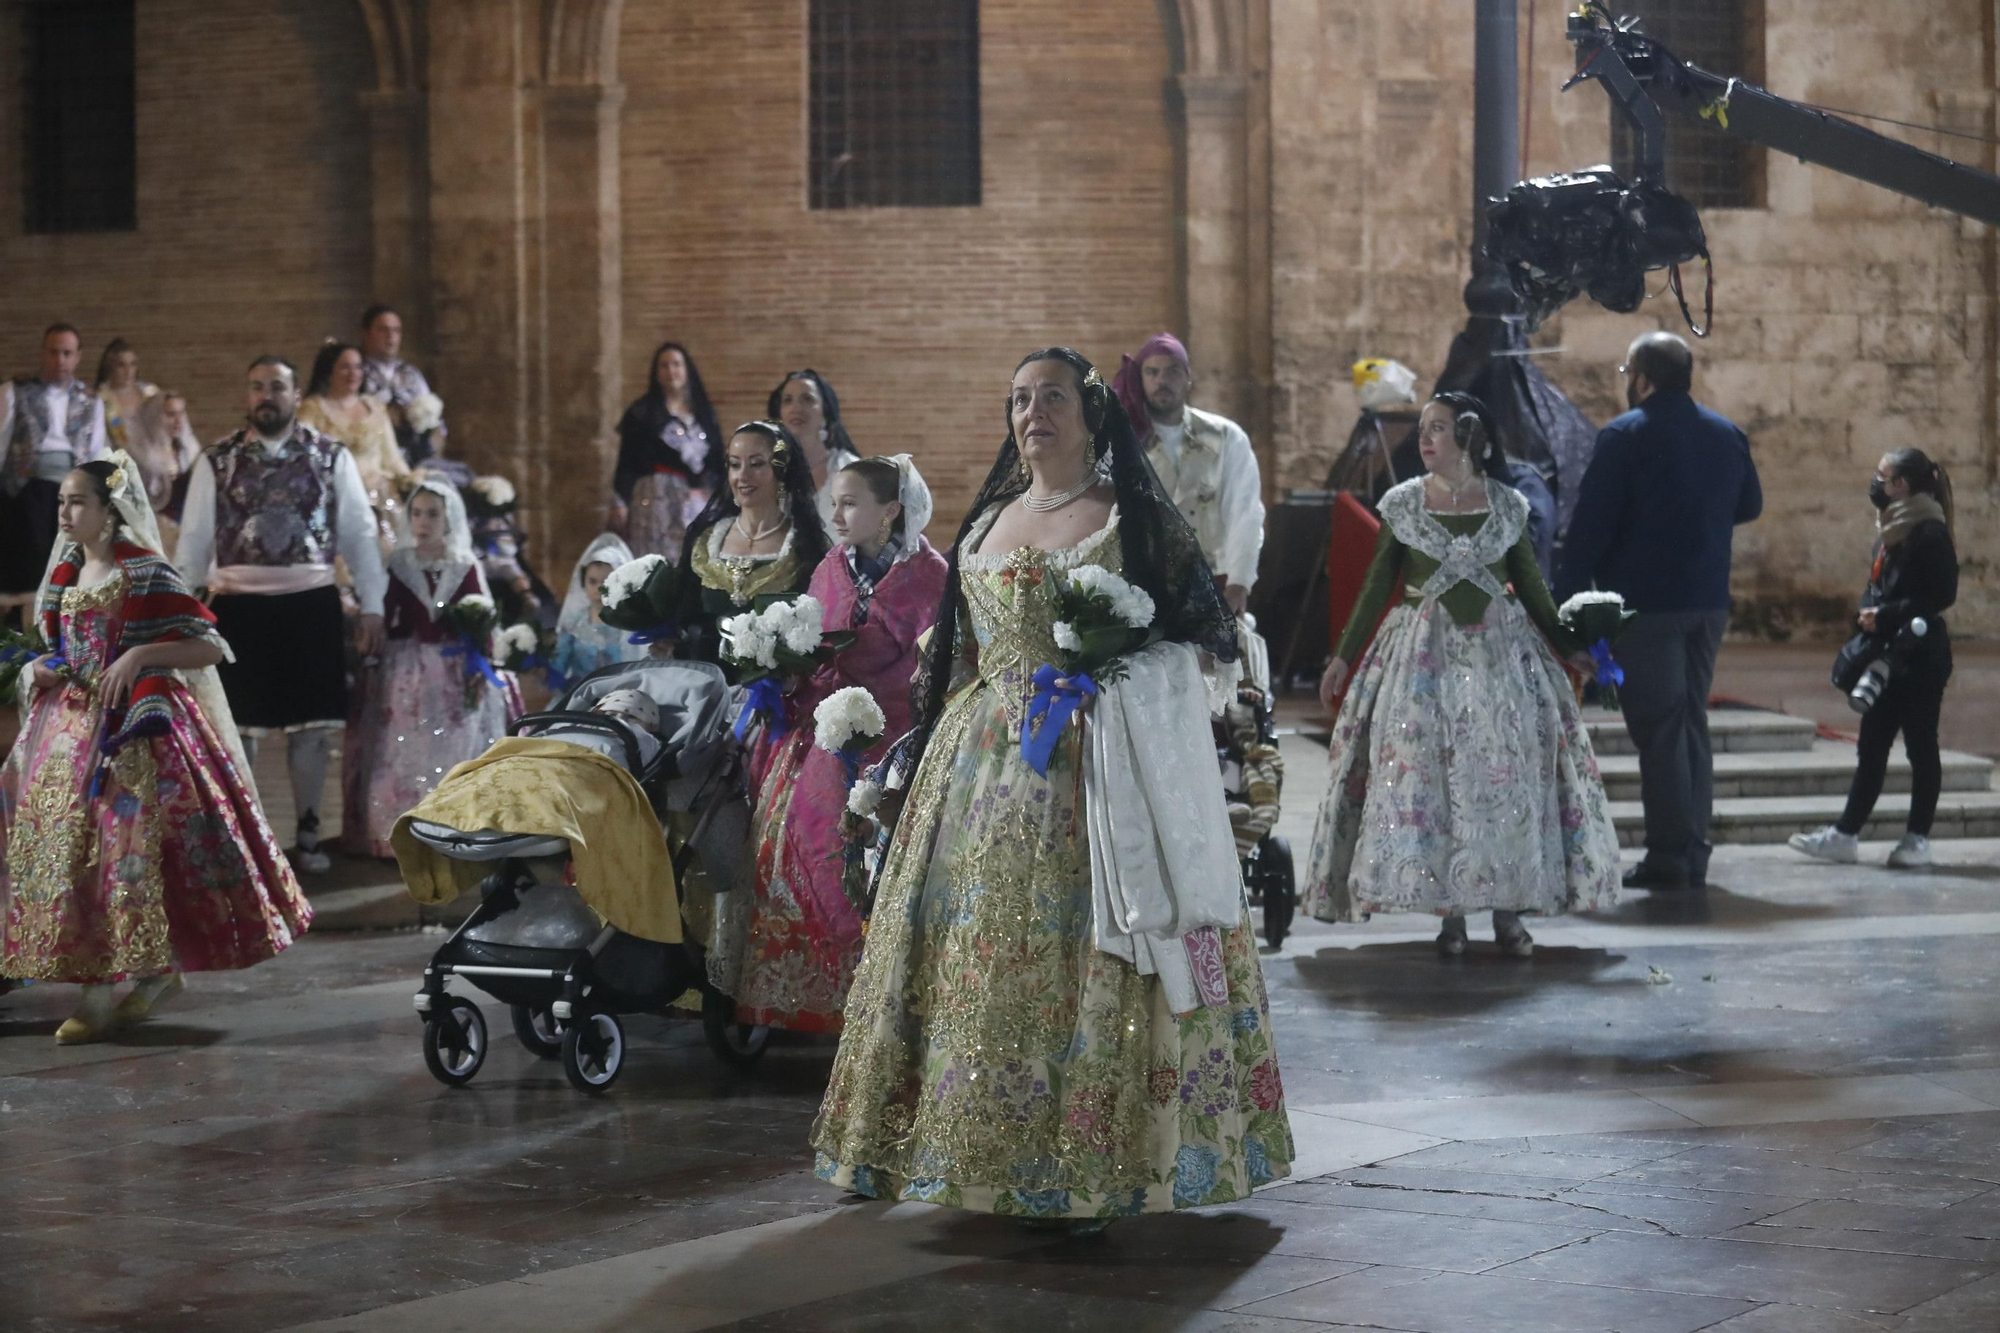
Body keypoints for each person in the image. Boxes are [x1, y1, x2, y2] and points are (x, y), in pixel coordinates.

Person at [811, 347, 1291, 1223]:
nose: (1034, 412)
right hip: (979, 770)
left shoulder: (1128, 519)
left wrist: (1111, 678)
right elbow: (956, 652)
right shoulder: (989, 518)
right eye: (1021, 398)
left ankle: (1092, 1156)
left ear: (1092, 413)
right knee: (964, 956)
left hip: (1097, 771)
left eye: (1054, 398)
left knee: (1091, 948)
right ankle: (943, 1144)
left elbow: (1197, 640)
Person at [0, 456, 310, 1043]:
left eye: (76, 502)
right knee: (60, 853)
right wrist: (39, 667)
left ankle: (100, 994)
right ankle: (143, 976)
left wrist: (140, 655)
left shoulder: (142, 571)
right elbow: (57, 650)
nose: (64, 513)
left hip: (128, 735)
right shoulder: (65, 571)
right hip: (61, 733)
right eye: (62, 502)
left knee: (116, 855)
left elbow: (210, 647)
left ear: (109, 509)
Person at [1304, 391, 1621, 956]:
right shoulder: (1404, 504)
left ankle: (1509, 913)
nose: (1425, 439)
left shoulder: (1506, 506)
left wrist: (1571, 645)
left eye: (1439, 429)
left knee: (1505, 779)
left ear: (1472, 437)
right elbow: (1377, 584)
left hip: (1503, 659)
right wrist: (1342, 656)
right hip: (1421, 662)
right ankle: (1449, 915)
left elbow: (1532, 587)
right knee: (1430, 782)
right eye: (1424, 428)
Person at [712, 455, 947, 1034]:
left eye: (850, 502)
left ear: (890, 510)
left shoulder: (933, 575)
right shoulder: (829, 568)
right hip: (825, 726)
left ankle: (881, 1000)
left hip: (895, 733)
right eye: (834, 502)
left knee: (880, 851)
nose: (836, 514)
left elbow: (935, 664)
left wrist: (868, 697)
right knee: (799, 834)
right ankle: (809, 991)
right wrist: (790, 671)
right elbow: (814, 642)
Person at [1556, 332, 1762, 890]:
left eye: (1629, 373)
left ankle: (1673, 854)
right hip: (1707, 603)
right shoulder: (1726, 433)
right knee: (1689, 721)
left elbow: (1588, 533)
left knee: (1661, 729)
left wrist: (1566, 606)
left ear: (1643, 379)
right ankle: (1693, 848)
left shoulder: (1624, 437)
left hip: (1647, 609)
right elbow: (1750, 505)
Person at [174, 356, 389, 874]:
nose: (266, 395)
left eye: (276, 386)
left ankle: (309, 836)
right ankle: (249, 836)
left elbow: (359, 535)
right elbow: (194, 541)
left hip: (310, 604)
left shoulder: (329, 456)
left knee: (311, 730)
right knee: (238, 728)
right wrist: (179, 611)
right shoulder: (216, 459)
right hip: (237, 607)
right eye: (256, 387)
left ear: (296, 396)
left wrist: (374, 604)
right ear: (246, 397)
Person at [1789, 449, 1958, 869]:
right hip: (1888, 654)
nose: (1875, 482)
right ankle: (1846, 834)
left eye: (1881, 476)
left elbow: (1939, 596)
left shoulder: (1929, 532)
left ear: (1900, 485)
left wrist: (1883, 615)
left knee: (1921, 747)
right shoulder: (1891, 531)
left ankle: (1917, 839)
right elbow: (1881, 585)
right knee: (1872, 747)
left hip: (1919, 657)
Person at [341, 479, 521, 859]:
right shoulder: (400, 563)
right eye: (417, 513)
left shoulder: (463, 563)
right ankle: (398, 830)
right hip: (407, 670)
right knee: (404, 746)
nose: (423, 522)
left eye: (433, 514)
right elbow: (389, 614)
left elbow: (482, 614)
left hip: (453, 667)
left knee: (453, 743)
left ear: (449, 519)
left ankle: (453, 826)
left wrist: (483, 655)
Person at [1111, 332, 1264, 616]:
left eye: (1172, 371)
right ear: (1140, 380)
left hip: (1215, 581)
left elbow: (1245, 512)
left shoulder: (1226, 437)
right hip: (1145, 587)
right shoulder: (1124, 443)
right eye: (1152, 372)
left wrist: (1239, 583)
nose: (1162, 380)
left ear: (1188, 377)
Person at [671, 421, 829, 668]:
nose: (742, 476)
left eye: (756, 464)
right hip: (706, 682)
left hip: (777, 693)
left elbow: (819, 627)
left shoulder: (806, 547)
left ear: (782, 470)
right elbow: (682, 612)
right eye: (735, 464)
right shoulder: (704, 540)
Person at [1, 324, 108, 595]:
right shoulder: (16, 391)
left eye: (67, 353)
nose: (60, 360)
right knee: (32, 560)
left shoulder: (91, 400)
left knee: (69, 560)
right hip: (29, 486)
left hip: (74, 485)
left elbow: (96, 451)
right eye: (54, 352)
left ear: (77, 357)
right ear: (42, 354)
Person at [611, 341, 723, 561]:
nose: (671, 370)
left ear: (686, 369)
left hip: (696, 501)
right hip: (655, 500)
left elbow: (716, 459)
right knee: (656, 561)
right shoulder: (642, 413)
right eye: (664, 365)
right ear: (656, 372)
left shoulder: (704, 414)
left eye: (676, 364)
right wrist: (619, 503)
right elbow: (627, 462)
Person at [299, 340, 414, 551]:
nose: (353, 373)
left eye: (358, 366)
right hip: (334, 498)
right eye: (345, 366)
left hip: (380, 499)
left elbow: (392, 457)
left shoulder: (375, 408)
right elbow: (305, 459)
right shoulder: (312, 410)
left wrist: (412, 483)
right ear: (330, 370)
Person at [549, 532, 649, 688]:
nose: (599, 589)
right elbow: (559, 666)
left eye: (607, 582)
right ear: (583, 582)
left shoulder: (629, 624)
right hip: (578, 697)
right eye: (592, 582)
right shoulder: (574, 623)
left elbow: (639, 670)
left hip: (619, 698)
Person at [768, 369, 860, 527]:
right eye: (787, 400)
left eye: (807, 399)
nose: (796, 408)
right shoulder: (768, 471)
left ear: (825, 412)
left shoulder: (852, 471)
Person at [357, 304, 445, 466]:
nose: (391, 336)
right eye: (383, 330)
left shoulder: (411, 374)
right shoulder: (356, 373)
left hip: (416, 457)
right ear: (366, 333)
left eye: (396, 330)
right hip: (374, 459)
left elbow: (436, 424)